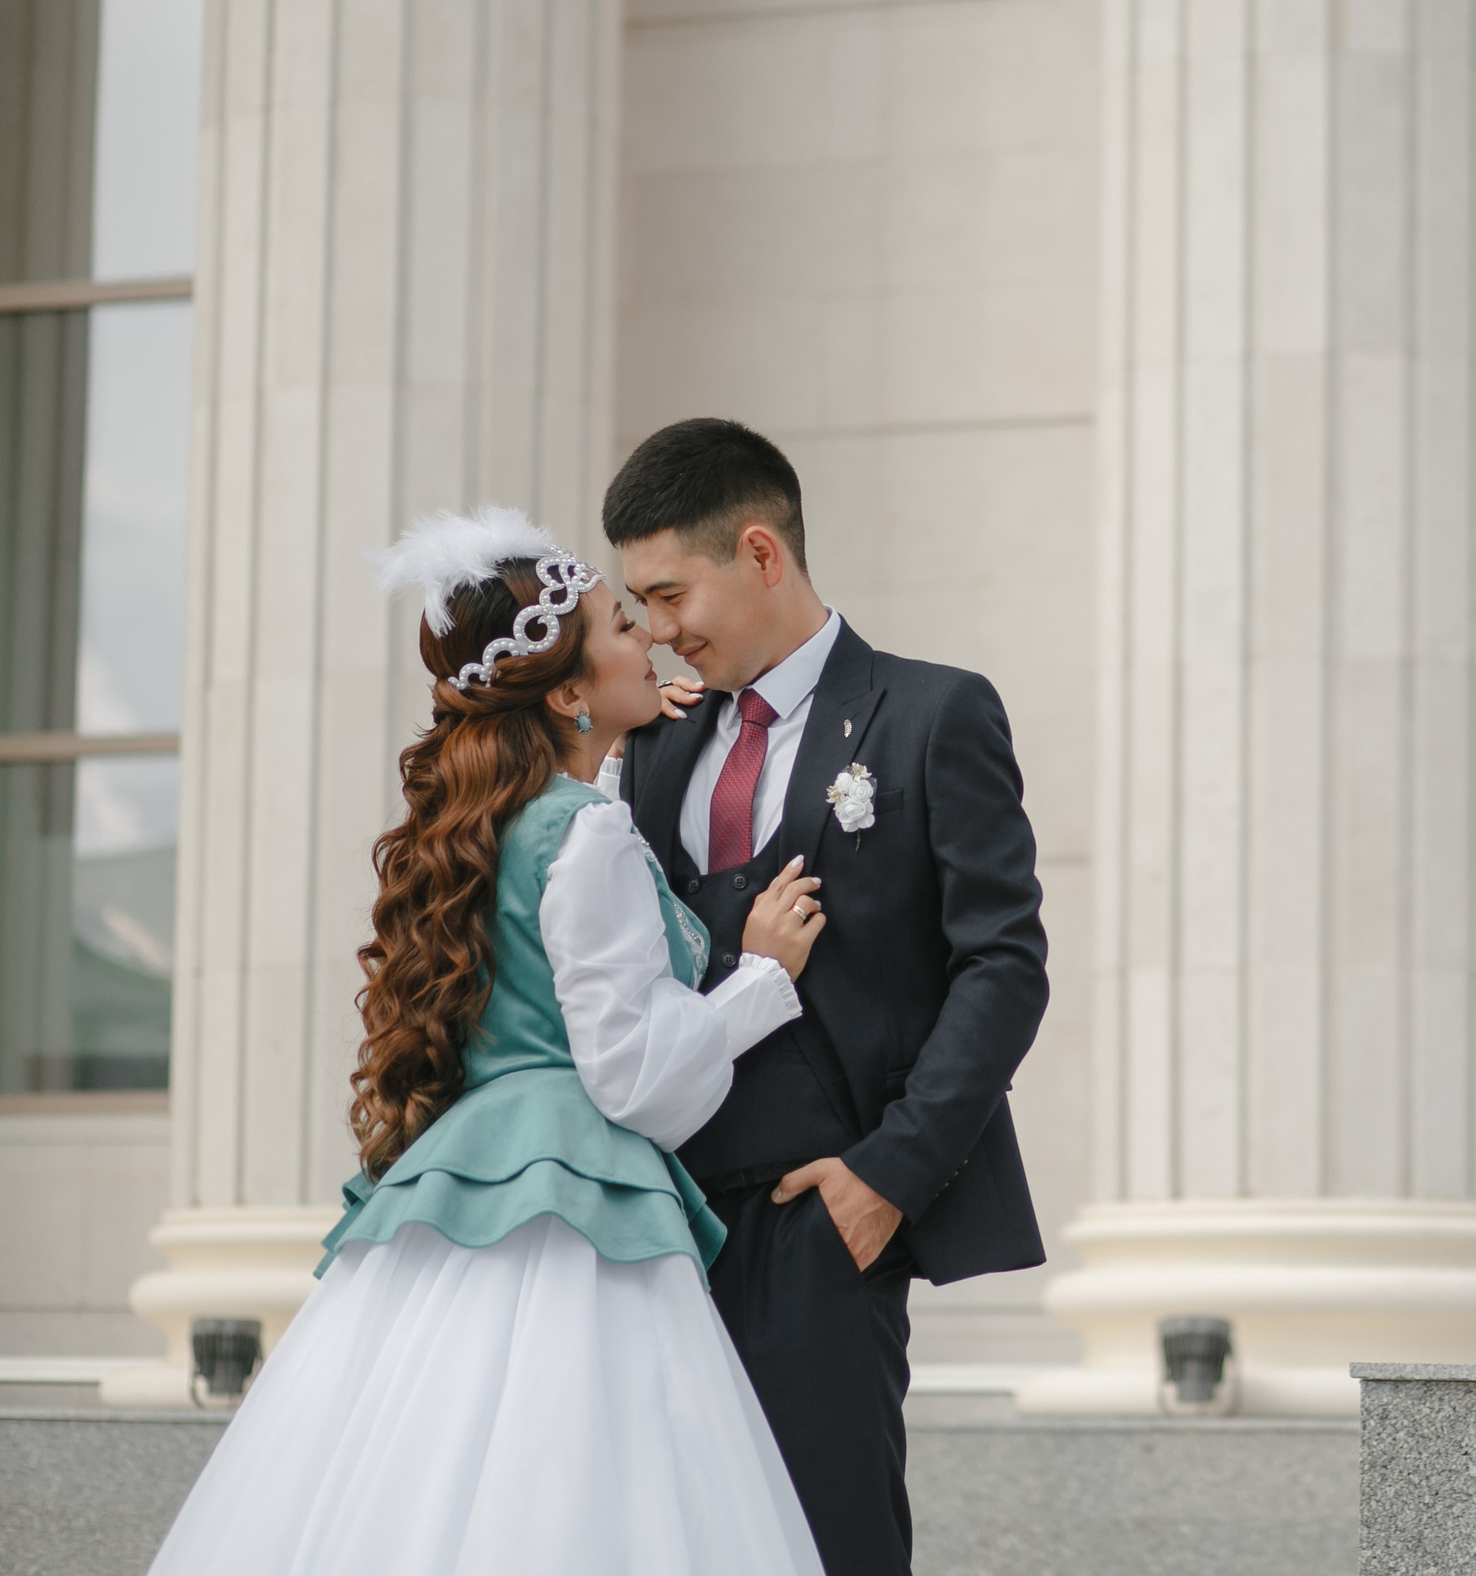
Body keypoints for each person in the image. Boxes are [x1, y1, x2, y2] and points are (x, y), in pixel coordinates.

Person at [147, 507, 828, 1575]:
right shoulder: (586, 830)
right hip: (576, 1199)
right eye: (621, 626)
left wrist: (614, 749)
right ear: (564, 691)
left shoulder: (499, 821)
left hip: (465, 1182)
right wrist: (761, 980)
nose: (649, 637)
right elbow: (634, 1077)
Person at [599, 417, 1048, 1576]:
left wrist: (885, 1178)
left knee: (827, 1544)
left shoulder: (933, 714)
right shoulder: (656, 747)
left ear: (759, 553)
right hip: (660, 1221)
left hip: (824, 1218)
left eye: (669, 594)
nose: (659, 631)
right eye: (639, 605)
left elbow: (1003, 966)